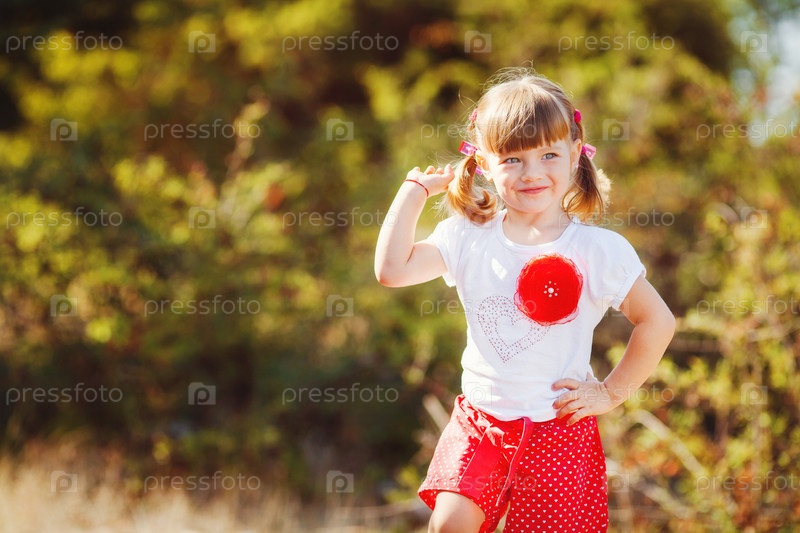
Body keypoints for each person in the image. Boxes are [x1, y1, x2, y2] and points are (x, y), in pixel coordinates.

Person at [374, 68, 675, 533]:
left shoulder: (597, 250)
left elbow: (657, 321)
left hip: (559, 432)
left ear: (575, 152)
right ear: (483, 162)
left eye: (549, 154)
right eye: (512, 159)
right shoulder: (467, 236)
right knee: (449, 526)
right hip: (482, 424)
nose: (532, 173)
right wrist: (412, 193)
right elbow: (392, 271)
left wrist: (610, 393)